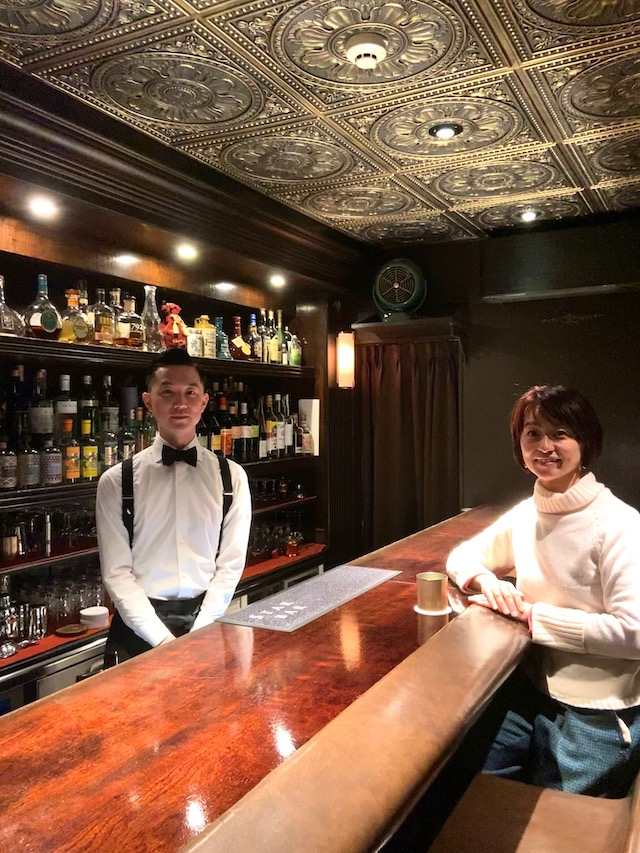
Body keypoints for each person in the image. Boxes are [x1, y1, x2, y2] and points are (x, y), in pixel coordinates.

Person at [446, 384, 640, 798]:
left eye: (560, 433)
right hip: (530, 689)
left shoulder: (619, 524)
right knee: (463, 786)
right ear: (520, 447)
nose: (545, 446)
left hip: (598, 711)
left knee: (563, 819)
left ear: (584, 443)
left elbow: (634, 632)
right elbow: (461, 556)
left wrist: (535, 617)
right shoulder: (527, 514)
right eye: (533, 434)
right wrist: (485, 580)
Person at [96, 348, 251, 664]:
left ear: (204, 401)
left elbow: (231, 563)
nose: (180, 403)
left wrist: (200, 632)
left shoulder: (232, 477)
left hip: (207, 622)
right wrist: (163, 640)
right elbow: (117, 573)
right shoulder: (116, 482)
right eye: (167, 392)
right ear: (148, 401)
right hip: (139, 632)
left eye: (190, 392)